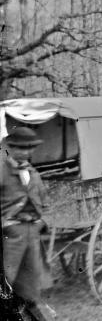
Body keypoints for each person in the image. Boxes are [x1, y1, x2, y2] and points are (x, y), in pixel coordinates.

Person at [1, 127, 56, 321]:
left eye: (28, 148)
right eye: (19, 148)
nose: (23, 152)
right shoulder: (2, 171)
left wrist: (42, 221)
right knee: (8, 279)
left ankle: (33, 310)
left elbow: (44, 201)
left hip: (32, 232)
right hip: (11, 233)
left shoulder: (33, 174)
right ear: (11, 148)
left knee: (31, 278)